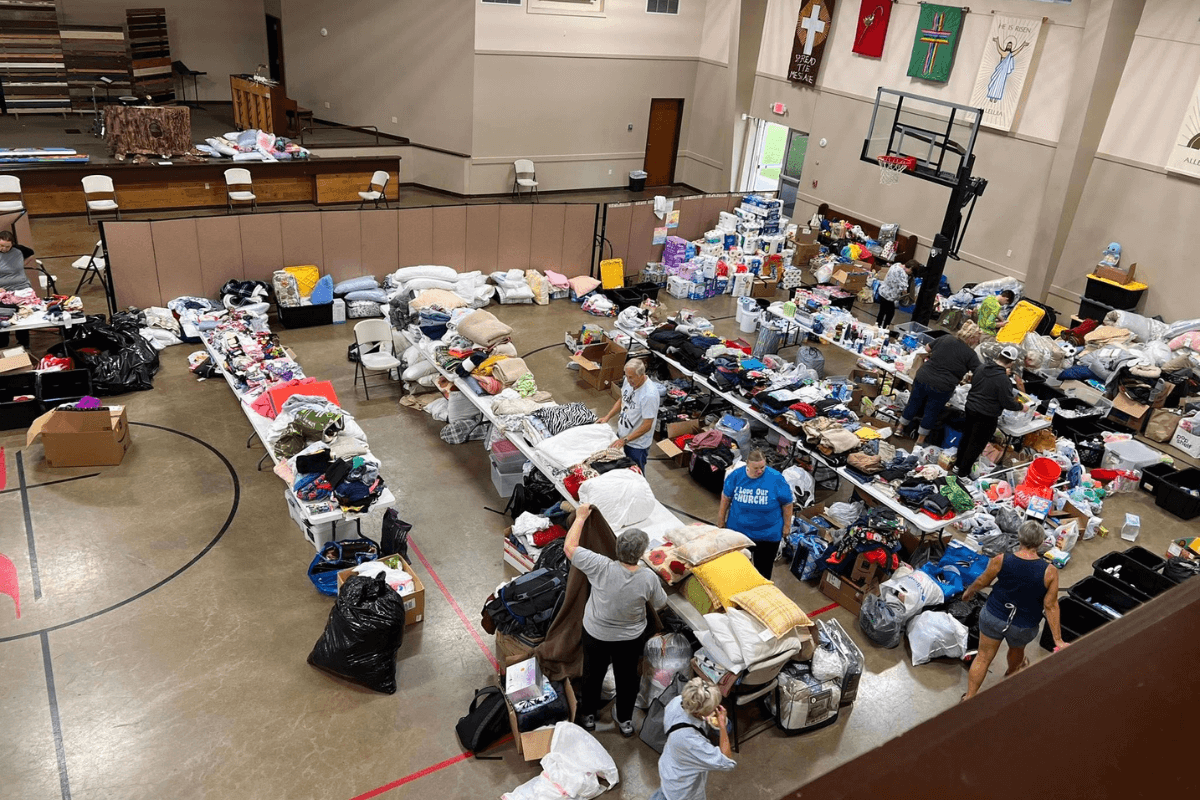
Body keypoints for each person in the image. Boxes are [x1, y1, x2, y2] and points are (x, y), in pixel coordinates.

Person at [563, 503, 667, 736]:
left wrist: (580, 518)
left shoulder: (599, 565)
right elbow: (660, 604)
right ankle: (625, 721)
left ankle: (588, 716)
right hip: (629, 640)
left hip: (596, 634)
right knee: (628, 679)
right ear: (641, 554)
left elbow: (569, 548)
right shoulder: (648, 578)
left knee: (592, 674)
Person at [962, 521, 1067, 699]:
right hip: (1023, 625)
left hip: (994, 616)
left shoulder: (1001, 559)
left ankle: (969, 698)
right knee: (1017, 652)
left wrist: (969, 592)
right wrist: (1058, 640)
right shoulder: (1049, 572)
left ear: (1019, 538)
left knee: (983, 657)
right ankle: (1010, 676)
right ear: (1041, 542)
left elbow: (983, 581)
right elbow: (1051, 605)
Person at [650, 678, 736, 800]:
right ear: (701, 712)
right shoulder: (690, 741)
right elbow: (726, 762)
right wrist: (722, 725)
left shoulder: (677, 702)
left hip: (670, 767)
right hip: (682, 789)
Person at [898, 323, 982, 444]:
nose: (977, 342)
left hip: (923, 376)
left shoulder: (946, 338)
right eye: (976, 339)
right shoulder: (971, 354)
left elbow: (927, 348)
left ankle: (900, 428)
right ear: (971, 338)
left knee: (913, 403)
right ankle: (919, 441)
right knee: (931, 412)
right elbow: (979, 372)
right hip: (942, 386)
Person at [718, 449, 794, 579]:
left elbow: (787, 503)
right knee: (737, 571)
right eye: (756, 468)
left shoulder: (776, 478)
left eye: (762, 467)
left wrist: (787, 526)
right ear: (747, 465)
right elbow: (725, 498)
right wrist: (721, 520)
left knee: (762, 573)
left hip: (767, 536)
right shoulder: (736, 476)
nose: (760, 471)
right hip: (739, 534)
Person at [955, 345, 1025, 479]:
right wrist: (1021, 407)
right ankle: (962, 475)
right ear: (1011, 363)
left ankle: (959, 464)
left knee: (967, 437)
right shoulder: (1003, 380)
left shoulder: (980, 368)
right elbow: (1007, 402)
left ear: (999, 356)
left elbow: (977, 385)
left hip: (970, 409)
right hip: (986, 416)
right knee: (976, 445)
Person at [598, 359, 659, 472]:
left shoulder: (649, 395)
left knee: (636, 475)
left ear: (641, 375)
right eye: (626, 376)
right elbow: (623, 400)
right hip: (623, 436)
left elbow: (647, 425)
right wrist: (608, 417)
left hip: (637, 445)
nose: (628, 380)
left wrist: (625, 440)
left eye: (631, 377)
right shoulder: (629, 381)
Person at [0, 230, 32, 349]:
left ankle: (23, 343)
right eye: (1, 246)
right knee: (4, 315)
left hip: (21, 287)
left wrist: (20, 267)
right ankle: (3, 343)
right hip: (3, 291)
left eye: (7, 246)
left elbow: (31, 253)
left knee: (23, 314)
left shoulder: (19, 251)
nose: (4, 249)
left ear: (12, 244)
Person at [875, 259, 917, 329]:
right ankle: (885, 328)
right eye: (912, 271)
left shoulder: (896, 265)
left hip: (883, 291)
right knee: (890, 314)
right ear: (910, 268)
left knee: (882, 312)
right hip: (890, 296)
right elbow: (904, 289)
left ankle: (877, 327)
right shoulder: (903, 274)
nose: (911, 273)